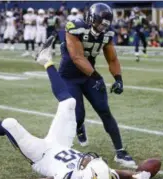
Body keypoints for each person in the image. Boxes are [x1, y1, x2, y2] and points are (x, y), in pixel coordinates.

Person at [0, 36, 154, 179]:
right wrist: (136, 176)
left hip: (41, 154)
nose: (90, 158)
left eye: (89, 162)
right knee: (69, 103)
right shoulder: (100, 175)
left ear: (84, 176)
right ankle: (45, 59)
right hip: (62, 143)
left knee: (9, 124)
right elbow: (123, 173)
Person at [58, 3, 135, 166]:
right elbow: (77, 57)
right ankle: (79, 128)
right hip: (69, 76)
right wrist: (96, 76)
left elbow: (112, 58)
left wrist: (118, 79)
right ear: (91, 18)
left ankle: (120, 152)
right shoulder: (75, 27)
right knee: (78, 114)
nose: (101, 27)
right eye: (100, 23)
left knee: (104, 110)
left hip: (89, 76)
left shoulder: (106, 34)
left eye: (105, 25)